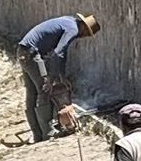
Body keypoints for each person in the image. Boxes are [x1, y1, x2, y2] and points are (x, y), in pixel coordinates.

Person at [16, 12, 99, 144]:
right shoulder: (73, 29)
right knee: (45, 89)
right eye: (86, 33)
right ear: (83, 27)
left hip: (23, 51)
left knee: (32, 93)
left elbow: (61, 53)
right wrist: (51, 79)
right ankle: (48, 134)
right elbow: (58, 53)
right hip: (32, 54)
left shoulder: (68, 21)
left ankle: (38, 135)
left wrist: (61, 76)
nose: (82, 37)